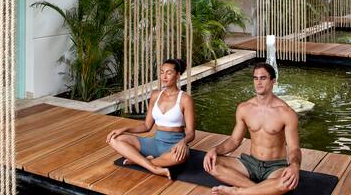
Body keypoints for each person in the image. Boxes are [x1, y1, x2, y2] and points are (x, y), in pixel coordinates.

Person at [203, 62, 301, 195]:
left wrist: (295, 166)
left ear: (273, 81)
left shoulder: (286, 113)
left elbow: (294, 148)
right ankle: (260, 191)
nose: (258, 82)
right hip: (250, 163)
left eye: (263, 78)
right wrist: (215, 150)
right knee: (212, 164)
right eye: (255, 78)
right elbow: (234, 141)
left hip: (275, 167)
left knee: (286, 183)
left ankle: (237, 192)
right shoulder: (244, 108)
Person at [106, 58, 195, 179]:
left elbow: (191, 133)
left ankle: (139, 161)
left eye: (169, 73)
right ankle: (154, 167)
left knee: (180, 157)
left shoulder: (185, 99)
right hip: (154, 143)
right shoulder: (155, 95)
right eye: (162, 72)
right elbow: (146, 126)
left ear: (178, 75)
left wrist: (183, 142)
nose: (164, 76)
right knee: (114, 139)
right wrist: (123, 129)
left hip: (174, 145)